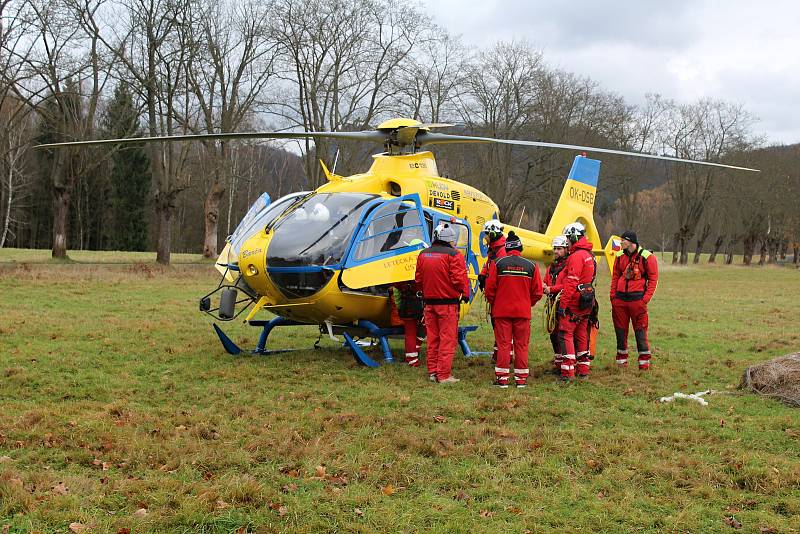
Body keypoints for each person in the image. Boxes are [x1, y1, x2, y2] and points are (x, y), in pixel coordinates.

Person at [485, 231, 543, 388]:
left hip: (501, 312)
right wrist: (526, 303)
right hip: (523, 313)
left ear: (507, 247)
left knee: (504, 345)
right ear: (520, 248)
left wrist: (496, 303)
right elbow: (538, 292)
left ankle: (502, 379)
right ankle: (521, 380)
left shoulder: (497, 263)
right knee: (522, 345)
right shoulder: (532, 266)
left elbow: (490, 290)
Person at [414, 223, 470, 384]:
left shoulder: (423, 254)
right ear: (450, 239)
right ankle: (444, 375)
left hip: (429, 304)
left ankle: (433, 372)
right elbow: (459, 279)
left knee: (433, 339)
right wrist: (465, 294)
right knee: (447, 339)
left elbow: (418, 279)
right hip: (447, 305)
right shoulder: (454, 255)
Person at [610, 230, 659, 370]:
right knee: (620, 331)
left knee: (640, 331)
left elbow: (653, 279)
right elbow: (615, 277)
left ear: (631, 241)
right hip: (619, 301)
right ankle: (621, 362)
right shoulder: (619, 256)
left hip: (637, 301)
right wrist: (613, 297)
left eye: (623, 240)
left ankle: (644, 364)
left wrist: (645, 299)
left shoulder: (647, 257)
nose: (621, 243)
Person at [558, 222, 596, 381]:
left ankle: (568, 373)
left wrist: (562, 304)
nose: (566, 241)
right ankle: (583, 370)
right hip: (587, 300)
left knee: (565, 333)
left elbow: (571, 283)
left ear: (573, 237)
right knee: (581, 334)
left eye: (568, 238)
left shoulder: (576, 256)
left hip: (574, 301)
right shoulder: (589, 255)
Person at [477, 219, 507, 361]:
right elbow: (489, 263)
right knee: (496, 324)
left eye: (487, 234)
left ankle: (505, 355)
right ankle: (498, 353)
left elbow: (500, 273)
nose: (485, 237)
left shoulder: (502, 251)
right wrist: (483, 275)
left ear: (493, 234)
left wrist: (490, 285)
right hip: (495, 293)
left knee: (501, 325)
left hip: (500, 294)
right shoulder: (494, 249)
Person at [542, 235, 570, 373]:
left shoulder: (568, 265)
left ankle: (567, 363)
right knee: (553, 333)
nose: (556, 252)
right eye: (555, 249)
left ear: (566, 249)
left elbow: (568, 285)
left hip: (564, 303)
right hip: (552, 303)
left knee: (563, 335)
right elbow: (546, 280)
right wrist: (544, 286)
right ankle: (558, 362)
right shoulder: (552, 267)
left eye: (559, 249)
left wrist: (551, 289)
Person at [389, 280, 425, 367]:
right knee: (422, 331)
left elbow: (396, 294)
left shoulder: (400, 277)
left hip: (407, 307)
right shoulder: (423, 273)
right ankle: (415, 352)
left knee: (410, 334)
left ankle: (412, 360)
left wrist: (399, 308)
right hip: (423, 307)